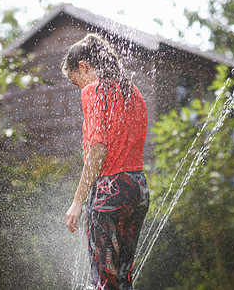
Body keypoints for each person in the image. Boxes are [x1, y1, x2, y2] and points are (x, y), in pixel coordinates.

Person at [62, 33, 149, 290]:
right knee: (123, 279)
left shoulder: (94, 90)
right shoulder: (133, 92)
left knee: (104, 282)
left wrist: (77, 203)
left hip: (110, 191)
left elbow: (98, 149)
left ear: (84, 67)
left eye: (77, 82)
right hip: (138, 188)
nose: (80, 88)